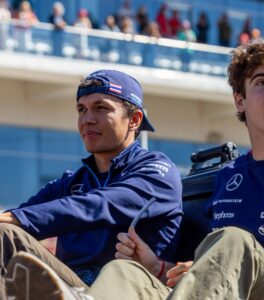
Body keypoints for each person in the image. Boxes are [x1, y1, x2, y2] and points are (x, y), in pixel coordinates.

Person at [15, 36, 264, 299]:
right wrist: (157, 266)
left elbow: (96, 206)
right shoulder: (228, 176)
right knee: (122, 270)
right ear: (240, 100)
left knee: (235, 242)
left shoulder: (154, 170)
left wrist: (241, 272)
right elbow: (196, 274)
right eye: (262, 82)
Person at [2, 69, 183, 299]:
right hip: (72, 287)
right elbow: (21, 219)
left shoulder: (157, 171)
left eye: (101, 108)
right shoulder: (72, 182)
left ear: (134, 120)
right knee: (5, 233)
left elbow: (96, 206)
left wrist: (10, 219)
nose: (87, 119)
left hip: (134, 288)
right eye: (81, 109)